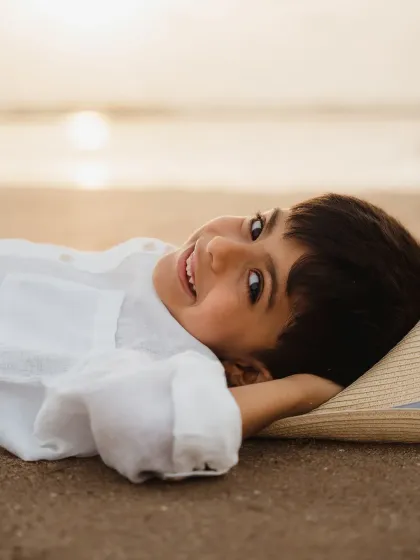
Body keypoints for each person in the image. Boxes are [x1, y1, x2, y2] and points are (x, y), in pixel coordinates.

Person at [0, 194, 418, 481]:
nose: (220, 245)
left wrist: (300, 392)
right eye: (256, 227)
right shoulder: (173, 290)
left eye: (255, 285)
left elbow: (155, 430)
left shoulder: (168, 368)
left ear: (248, 374)